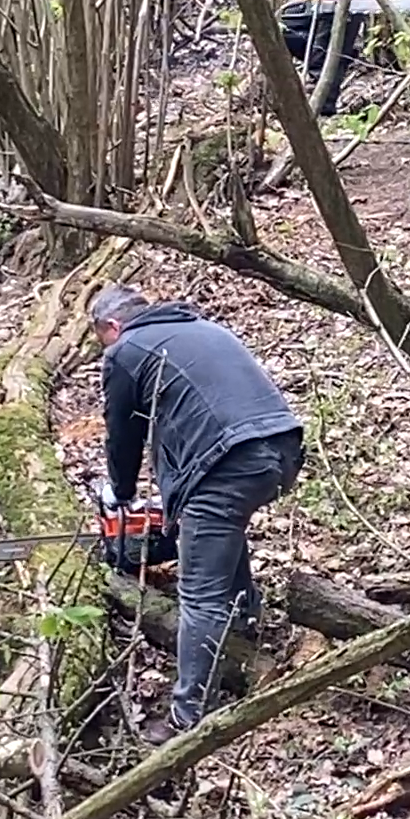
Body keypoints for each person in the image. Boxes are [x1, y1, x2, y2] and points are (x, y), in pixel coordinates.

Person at [91, 284, 305, 745]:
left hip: (228, 463)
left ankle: (187, 721)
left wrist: (121, 493)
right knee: (224, 524)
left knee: (200, 595)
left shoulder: (125, 349)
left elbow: (122, 434)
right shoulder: (204, 328)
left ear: (111, 326)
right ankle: (247, 626)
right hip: (281, 451)